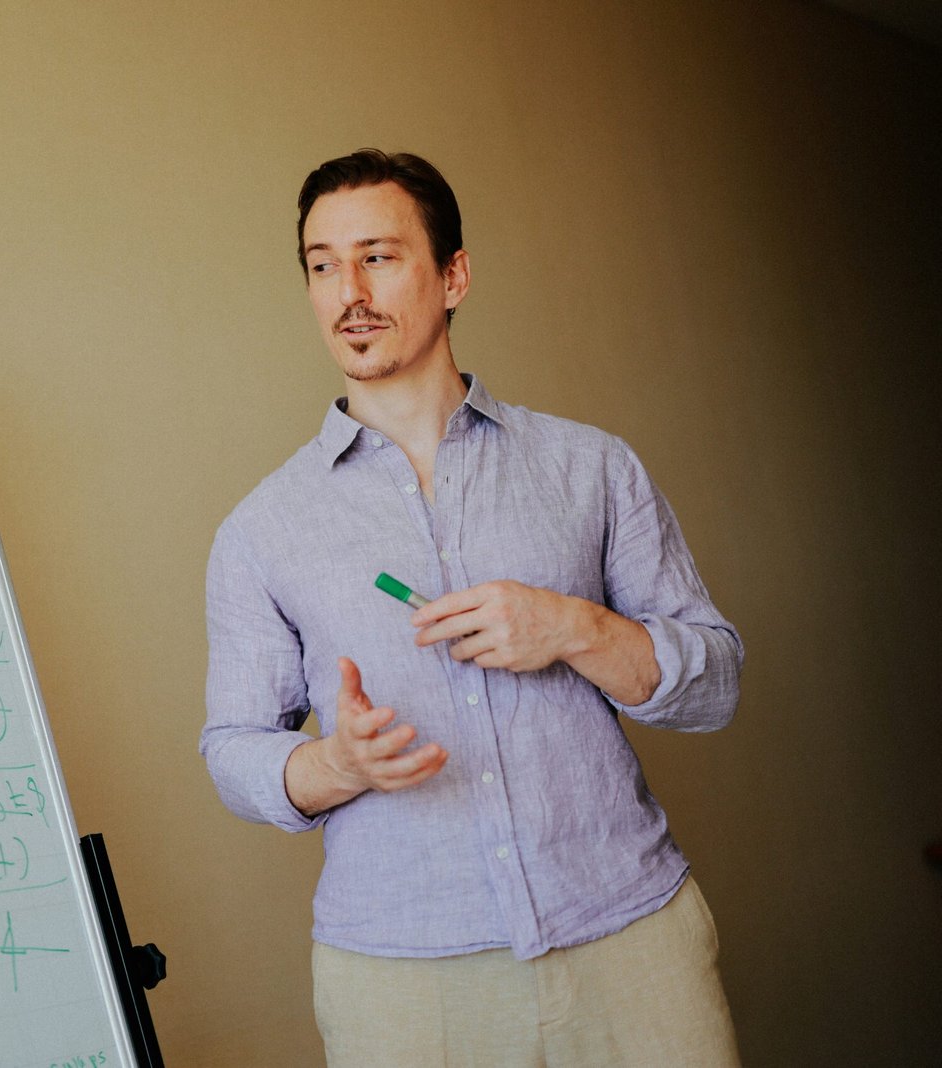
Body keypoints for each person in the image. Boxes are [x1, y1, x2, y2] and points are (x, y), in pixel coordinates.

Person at [200, 149, 743, 1066]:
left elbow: (716, 680)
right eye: (323, 264)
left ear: (453, 275)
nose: (349, 292)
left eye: (378, 255)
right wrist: (335, 763)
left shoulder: (592, 468)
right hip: (405, 986)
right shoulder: (261, 530)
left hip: (630, 938)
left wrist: (576, 627)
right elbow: (231, 751)